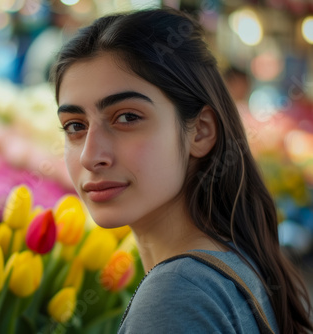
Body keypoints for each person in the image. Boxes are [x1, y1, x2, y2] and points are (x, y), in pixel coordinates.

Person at [51, 7, 312, 333]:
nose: (91, 156)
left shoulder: (175, 295)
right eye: (75, 125)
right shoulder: (233, 262)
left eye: (127, 117)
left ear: (200, 131)